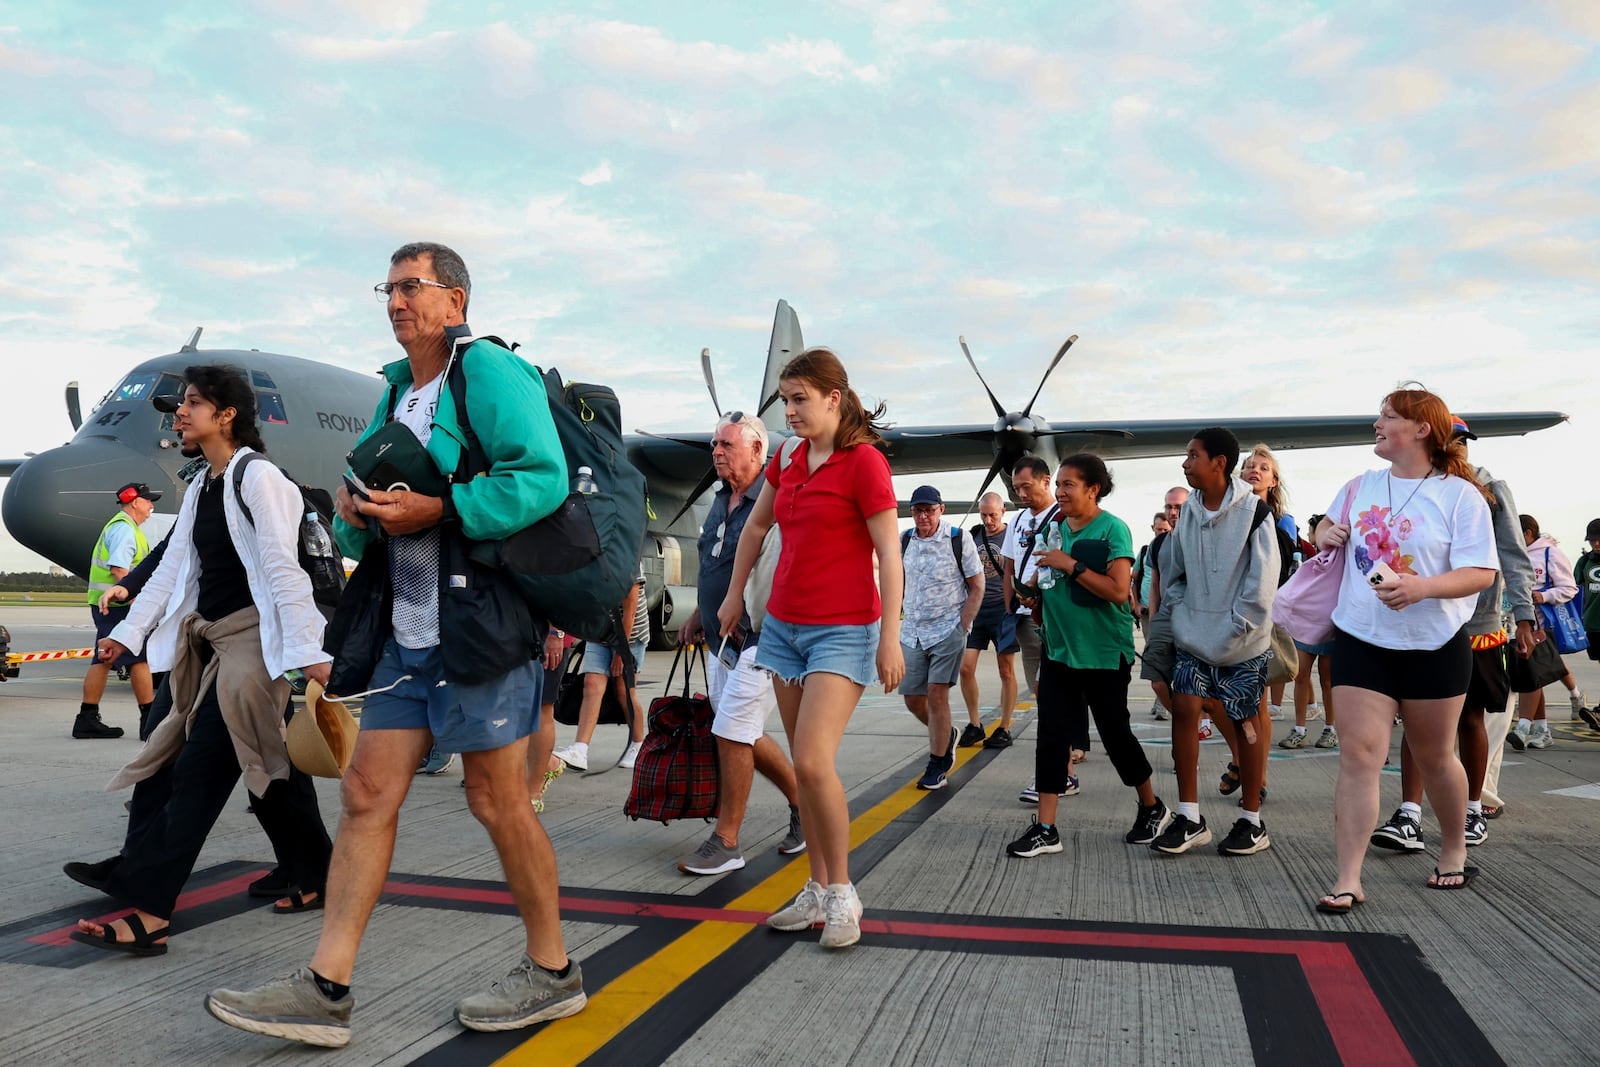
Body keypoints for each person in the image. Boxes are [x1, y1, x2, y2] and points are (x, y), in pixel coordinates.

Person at [206, 242, 584, 1046]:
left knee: (497, 800)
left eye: (411, 286)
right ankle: (326, 985)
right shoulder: (393, 391)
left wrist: (440, 510)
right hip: (403, 632)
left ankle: (554, 971)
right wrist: (356, 509)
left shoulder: (488, 373)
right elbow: (369, 508)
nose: (395, 300)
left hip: (476, 628)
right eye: (389, 286)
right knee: (366, 794)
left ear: (455, 299)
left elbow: (541, 475)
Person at [70, 365, 333, 955]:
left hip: (252, 649)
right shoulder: (203, 487)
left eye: (192, 404)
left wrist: (310, 654)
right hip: (210, 645)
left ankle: (150, 910)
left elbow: (283, 569)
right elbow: (171, 571)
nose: (179, 414)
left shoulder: (260, 479)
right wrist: (128, 634)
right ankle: (315, 872)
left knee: (196, 774)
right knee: (265, 767)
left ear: (227, 413)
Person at [716, 346, 903, 951]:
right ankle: (817, 889)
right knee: (803, 764)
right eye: (785, 400)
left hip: (843, 631)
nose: (790, 412)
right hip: (784, 630)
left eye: (800, 400)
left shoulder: (865, 463)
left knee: (816, 764)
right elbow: (756, 525)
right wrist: (734, 593)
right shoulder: (789, 459)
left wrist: (891, 637)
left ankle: (844, 893)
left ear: (834, 398)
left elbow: (889, 555)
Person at [1312, 386, 1497, 914]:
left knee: (1437, 757)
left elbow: (1482, 572)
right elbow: (1326, 526)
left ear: (1421, 430)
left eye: (1388, 416)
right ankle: (1348, 878)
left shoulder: (1461, 495)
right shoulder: (1359, 485)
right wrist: (1327, 533)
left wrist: (1421, 588)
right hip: (1361, 639)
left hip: (1433, 643)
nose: (1377, 423)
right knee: (1359, 755)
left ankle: (1454, 850)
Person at [1371, 420, 1535, 851]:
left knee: (1470, 716)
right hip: (1423, 619)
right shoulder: (1411, 485)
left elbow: (1512, 554)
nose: (1458, 447)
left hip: (1476, 624)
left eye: (1462, 441)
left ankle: (1473, 809)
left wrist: (1523, 614)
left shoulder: (1487, 486)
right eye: (1452, 439)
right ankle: (1409, 814)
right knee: (1417, 717)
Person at [1004, 454, 1171, 858]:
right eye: (1058, 485)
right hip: (1060, 650)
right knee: (1051, 738)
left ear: (1093, 489)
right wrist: (1033, 593)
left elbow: (1117, 591)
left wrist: (1070, 564)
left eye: (1067, 485)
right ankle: (1046, 828)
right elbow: (1045, 575)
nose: (1059, 492)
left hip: (1103, 653)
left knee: (1116, 737)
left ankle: (1152, 806)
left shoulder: (1113, 529)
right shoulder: (1053, 527)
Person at [673, 411, 804, 875]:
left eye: (727, 444)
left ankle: (726, 840)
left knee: (729, 730)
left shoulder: (775, 502)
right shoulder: (719, 499)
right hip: (720, 640)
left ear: (758, 451)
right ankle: (804, 806)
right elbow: (718, 562)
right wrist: (697, 614)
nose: (717, 452)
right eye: (715, 444)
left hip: (760, 637)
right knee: (743, 729)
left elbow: (769, 573)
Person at [1151, 427, 1278, 858]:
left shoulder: (1255, 513)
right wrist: (1180, 616)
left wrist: (1237, 627)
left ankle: (1250, 820)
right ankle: (1189, 816)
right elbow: (1177, 573)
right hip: (1195, 635)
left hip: (1242, 641)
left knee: (1246, 723)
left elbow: (1262, 582)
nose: (1185, 463)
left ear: (1218, 462)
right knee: (1184, 708)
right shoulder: (1186, 514)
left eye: (1192, 456)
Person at [898, 485, 984, 790]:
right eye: (918, 510)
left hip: (947, 629)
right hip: (912, 631)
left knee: (937, 692)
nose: (923, 516)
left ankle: (937, 764)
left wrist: (962, 625)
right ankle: (947, 735)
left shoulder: (958, 539)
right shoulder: (905, 539)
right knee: (912, 698)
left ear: (941, 510)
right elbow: (898, 580)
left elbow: (977, 585)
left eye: (929, 510)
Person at [75, 482, 161, 739]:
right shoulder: (124, 530)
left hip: (108, 605)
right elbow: (118, 569)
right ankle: (150, 721)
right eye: (148, 501)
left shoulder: (122, 527)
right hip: (117, 605)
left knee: (104, 657)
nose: (151, 506)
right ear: (135, 502)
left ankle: (87, 718)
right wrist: (133, 594)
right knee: (138, 657)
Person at [551, 572, 649, 771]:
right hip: (600, 632)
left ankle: (639, 744)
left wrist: (622, 651)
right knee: (591, 684)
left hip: (630, 634)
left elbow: (630, 609)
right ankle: (580, 749)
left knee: (623, 691)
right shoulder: (591, 555)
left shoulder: (629, 558)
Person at [1507, 514, 1585, 749]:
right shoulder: (1512, 553)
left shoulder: (1550, 553)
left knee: (1531, 675)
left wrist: (1544, 596)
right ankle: (1541, 729)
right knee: (1533, 676)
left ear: (1528, 533)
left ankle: (1522, 727)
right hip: (1513, 623)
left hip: (1540, 625)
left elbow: (1569, 588)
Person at [1240, 444, 1302, 724]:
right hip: (1228, 617)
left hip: (1262, 617)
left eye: (1264, 468)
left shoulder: (1280, 525)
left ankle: (1249, 765)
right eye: (1250, 466)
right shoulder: (1226, 518)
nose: (1255, 470)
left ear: (1273, 481)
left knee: (1255, 697)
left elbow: (1286, 577)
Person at [960, 492, 1020, 749]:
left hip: (1002, 610)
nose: (988, 520)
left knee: (1005, 670)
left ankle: (1004, 727)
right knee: (965, 667)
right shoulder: (974, 536)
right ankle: (975, 724)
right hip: (978, 610)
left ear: (1003, 510)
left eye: (992, 514)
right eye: (983, 514)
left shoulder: (1013, 536)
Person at [1139, 487, 1189, 723]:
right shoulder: (1158, 543)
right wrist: (1156, 615)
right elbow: (1155, 582)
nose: (1173, 511)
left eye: (1178, 506)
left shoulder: (1202, 539)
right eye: (1169, 506)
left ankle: (1193, 725)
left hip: (1194, 619)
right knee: (1157, 681)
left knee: (1192, 686)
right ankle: (1185, 721)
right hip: (1164, 618)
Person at [1576, 519, 1600, 733]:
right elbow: (1573, 588)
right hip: (1592, 623)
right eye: (1593, 540)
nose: (1596, 544)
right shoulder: (1585, 563)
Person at [1131, 511, 1170, 633]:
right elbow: (1134, 580)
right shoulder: (1145, 551)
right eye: (1159, 529)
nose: (1162, 533)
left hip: (1169, 610)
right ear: (1153, 528)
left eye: (1165, 530)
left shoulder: (1176, 549)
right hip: (1146, 610)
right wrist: (1136, 604)